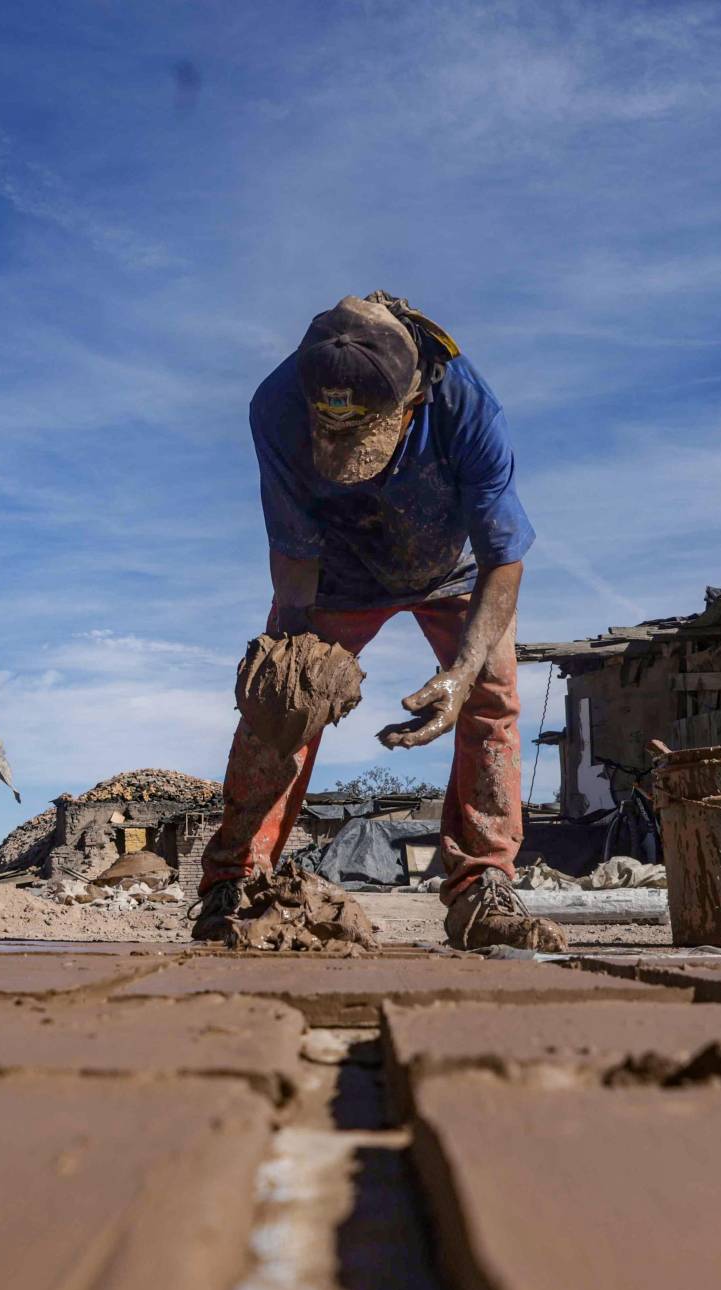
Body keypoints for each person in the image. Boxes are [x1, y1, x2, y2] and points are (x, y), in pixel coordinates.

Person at [192, 292, 566, 952]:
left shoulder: (466, 405)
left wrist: (462, 670)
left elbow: (503, 558)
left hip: (451, 570)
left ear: (414, 398)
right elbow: (291, 547)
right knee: (283, 698)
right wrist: (295, 662)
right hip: (336, 571)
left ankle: (482, 889)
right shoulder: (277, 405)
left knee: (490, 697)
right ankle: (238, 882)